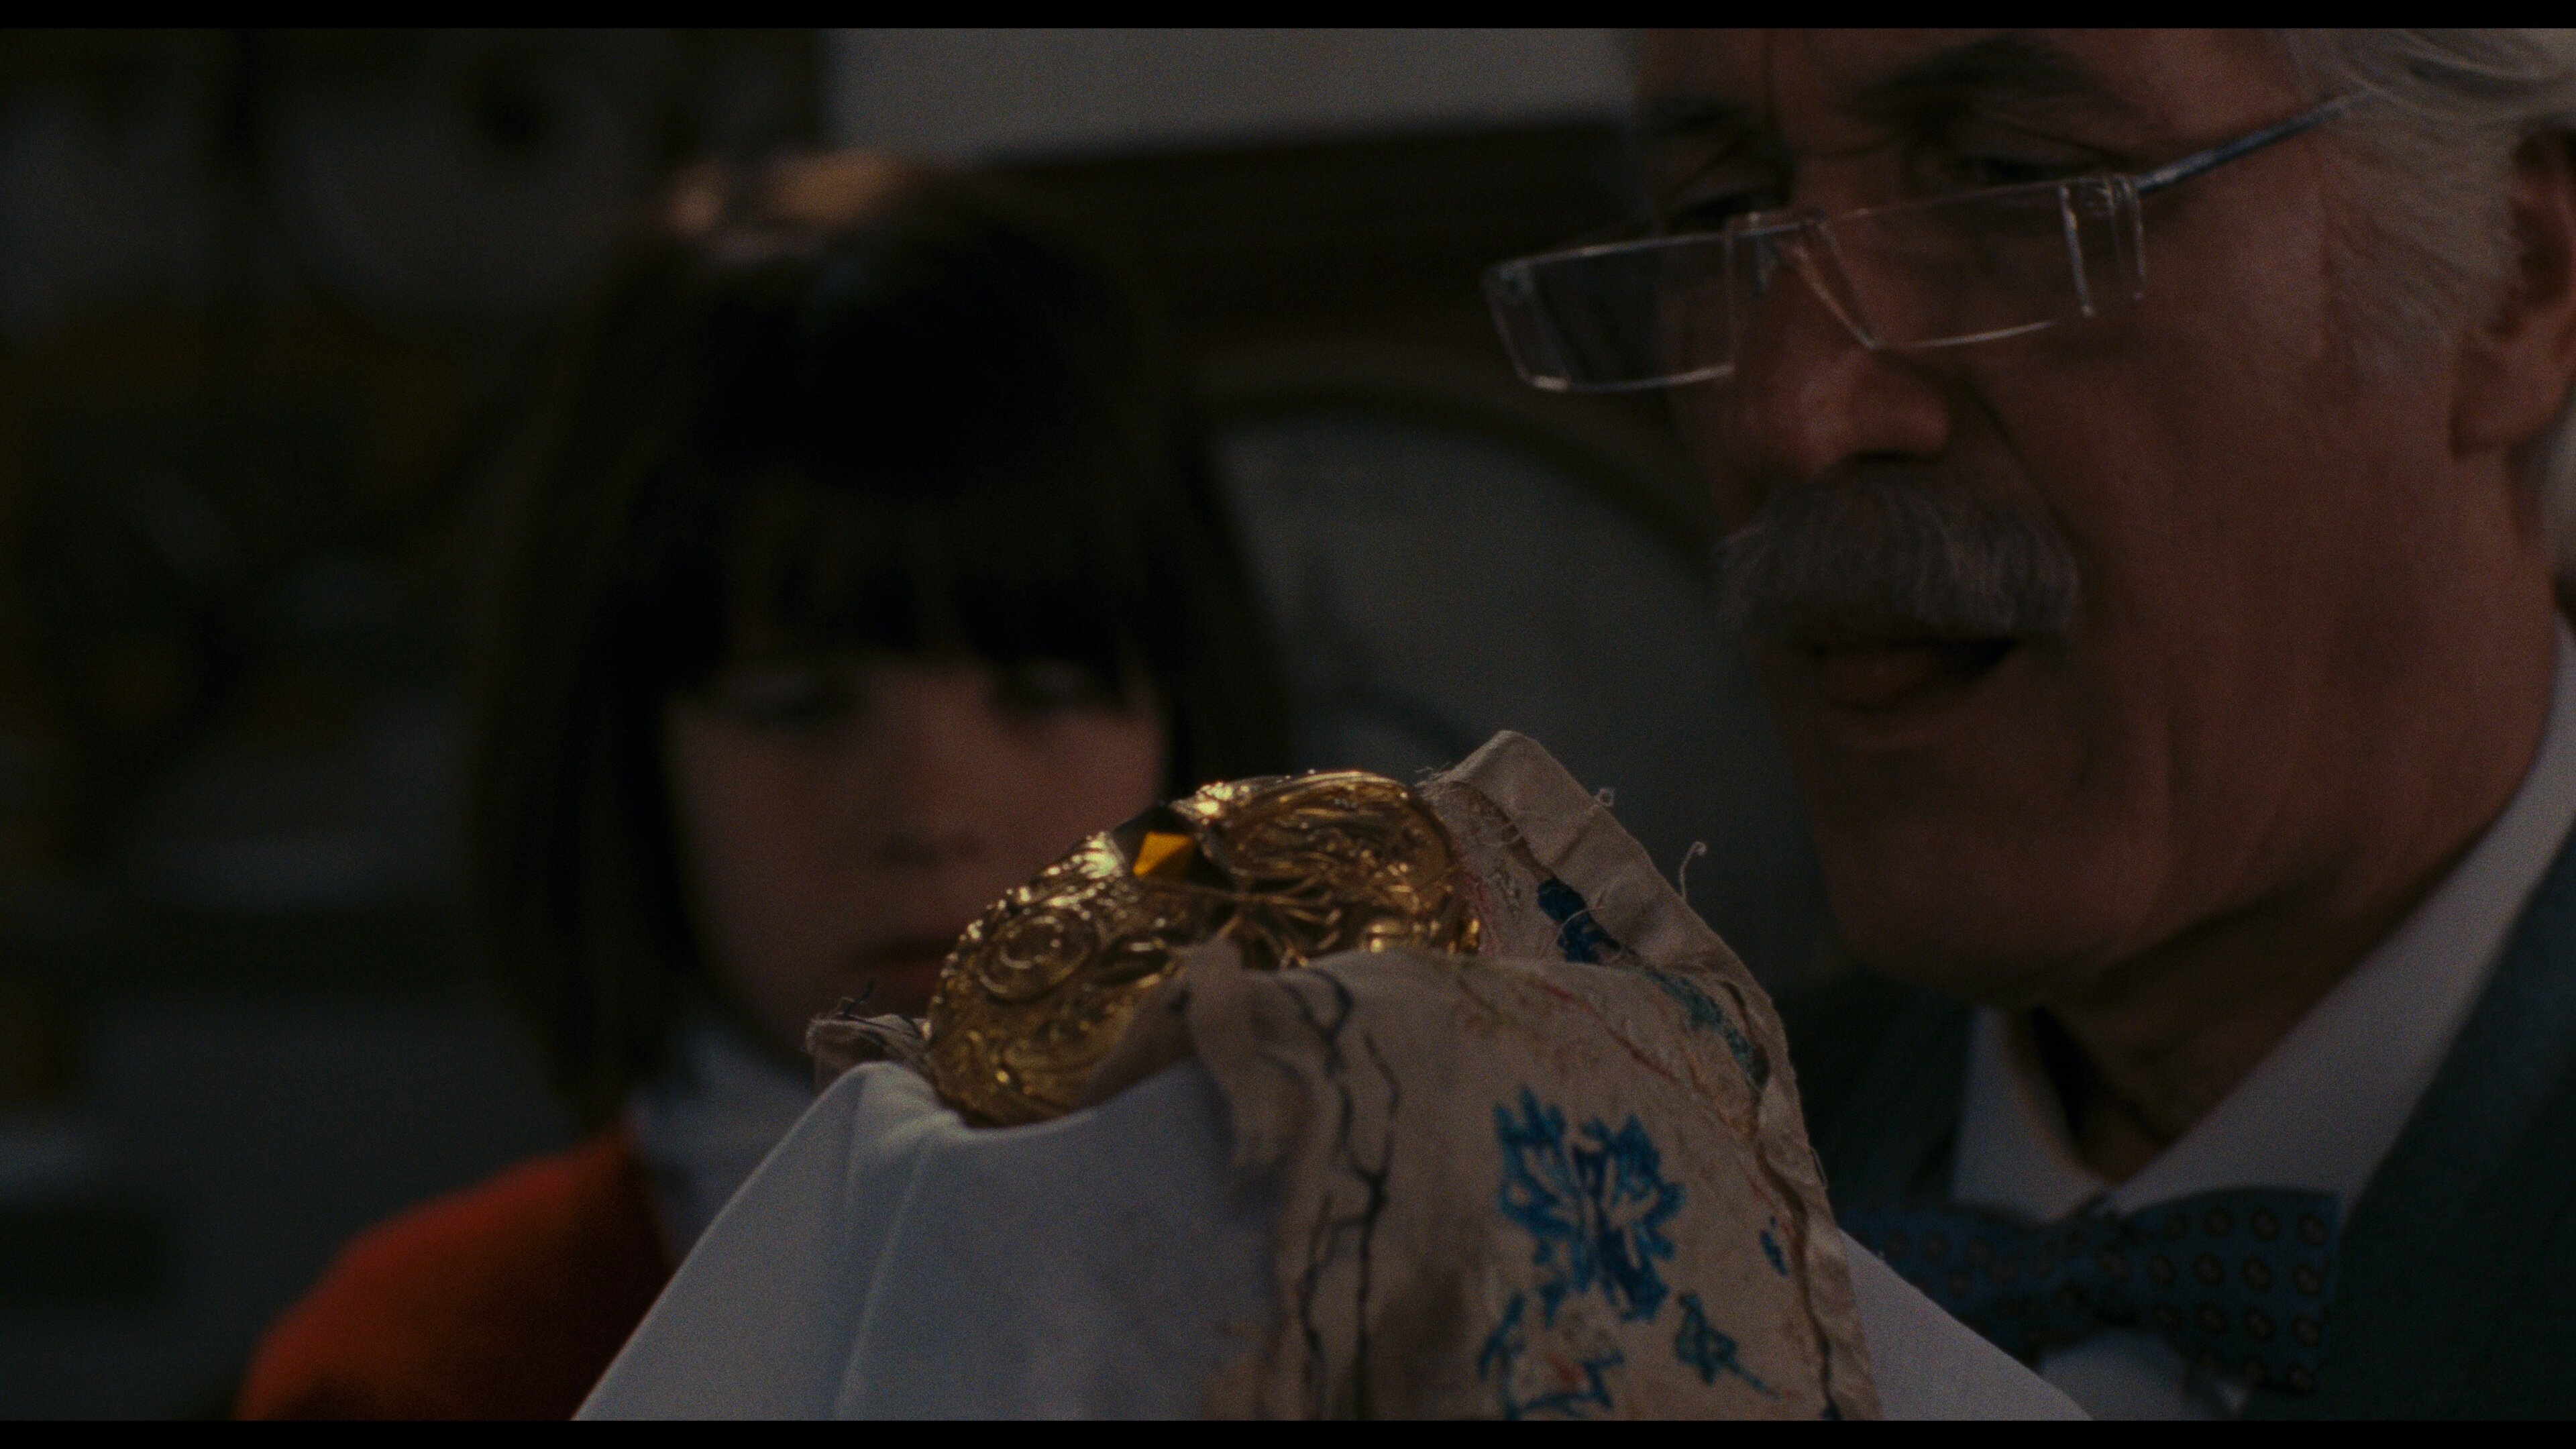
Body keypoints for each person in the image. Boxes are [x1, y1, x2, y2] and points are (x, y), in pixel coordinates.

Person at [1519, 28, 2576, 1418]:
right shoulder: (1590, 1235)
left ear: (2513, 282)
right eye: (1719, 215)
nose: (1792, 414)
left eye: (2011, 187)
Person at [233, 154, 1289, 1419]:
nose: (931, 816)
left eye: (1045, 692)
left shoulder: (1392, 1279)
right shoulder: (422, 1374)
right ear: (629, 752)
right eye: (797, 707)